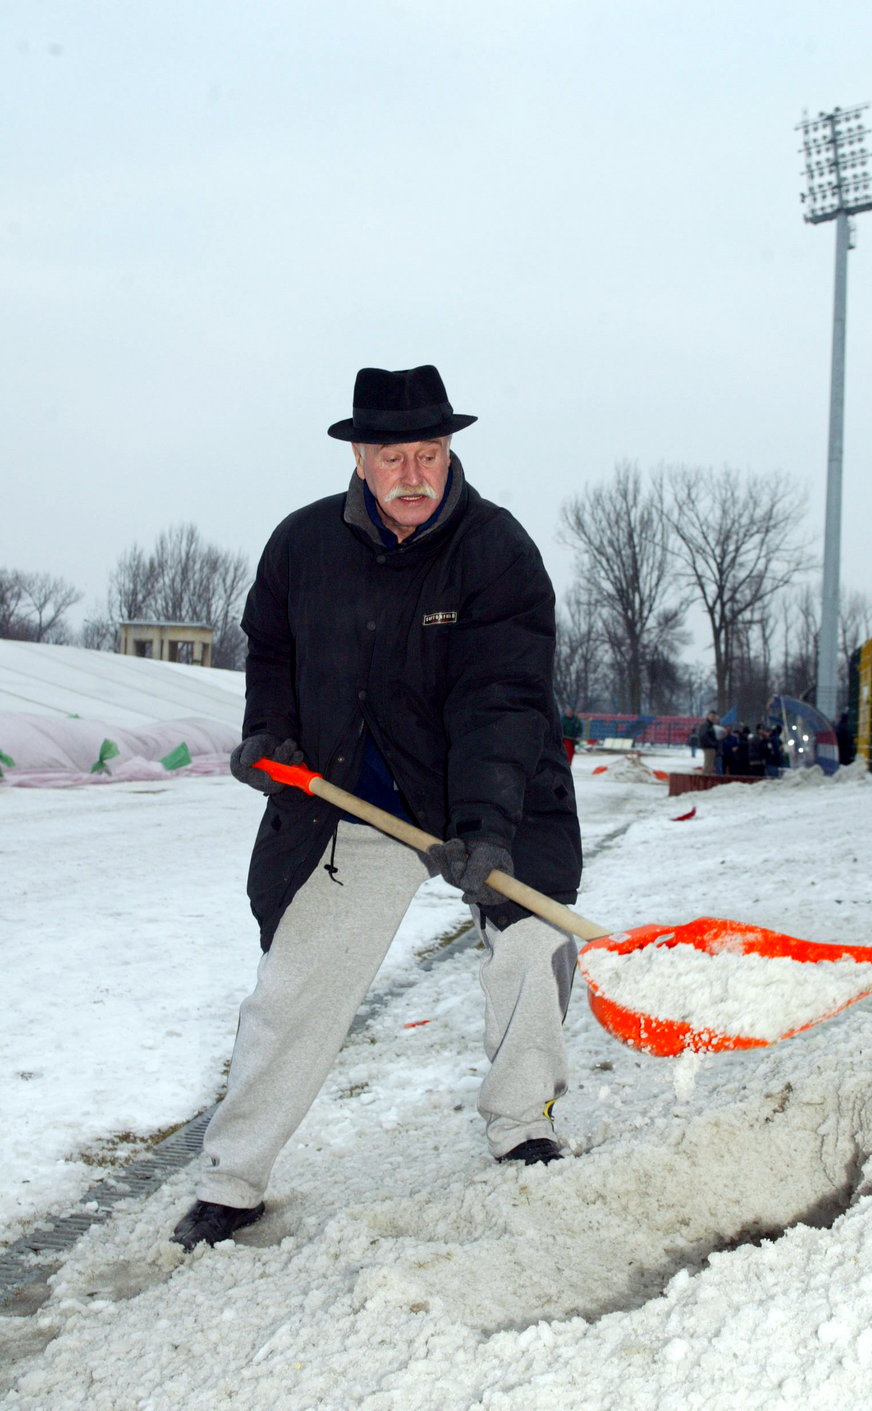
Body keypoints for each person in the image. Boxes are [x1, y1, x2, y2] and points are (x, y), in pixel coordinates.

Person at [171, 365, 583, 1252]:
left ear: (449, 454)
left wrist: (484, 826)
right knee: (296, 985)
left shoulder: (497, 550)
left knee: (530, 944)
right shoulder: (302, 546)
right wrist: (271, 732)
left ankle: (526, 1124)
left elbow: (503, 699)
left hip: (494, 799)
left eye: (429, 453)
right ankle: (231, 1180)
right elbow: (271, 649)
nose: (413, 474)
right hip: (356, 802)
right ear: (359, 458)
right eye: (392, 454)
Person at [698, 711, 720, 775]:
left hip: (711, 747)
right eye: (712, 716)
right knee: (708, 764)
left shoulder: (711, 725)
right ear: (708, 716)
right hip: (708, 747)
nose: (713, 718)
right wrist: (712, 744)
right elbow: (703, 736)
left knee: (710, 764)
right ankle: (705, 777)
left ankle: (707, 776)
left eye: (714, 717)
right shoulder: (706, 725)